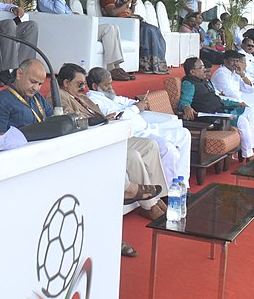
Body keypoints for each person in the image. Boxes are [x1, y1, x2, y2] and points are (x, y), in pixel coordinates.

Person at [51, 63, 168, 221]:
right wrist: (99, 120)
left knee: (149, 144)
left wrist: (108, 119)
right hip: (92, 141)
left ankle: (158, 197)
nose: (83, 87)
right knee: (132, 155)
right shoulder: (58, 96)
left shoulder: (83, 98)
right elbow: (70, 120)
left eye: (84, 83)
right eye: (80, 84)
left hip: (107, 134)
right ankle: (149, 206)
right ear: (66, 83)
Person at [85, 67, 192, 187]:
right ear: (95, 86)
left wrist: (140, 104)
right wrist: (136, 108)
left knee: (184, 134)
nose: (110, 87)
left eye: (110, 84)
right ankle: (170, 188)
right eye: (106, 85)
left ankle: (183, 184)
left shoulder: (108, 95)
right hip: (135, 133)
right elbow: (116, 118)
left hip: (146, 127)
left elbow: (125, 101)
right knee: (168, 148)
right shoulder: (93, 100)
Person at [36, 0, 134, 81]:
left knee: (113, 27)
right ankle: (111, 68)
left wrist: (73, 14)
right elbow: (59, 11)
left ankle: (117, 67)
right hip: (70, 31)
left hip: (76, 26)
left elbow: (64, 12)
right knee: (108, 28)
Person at [178, 57, 254, 160]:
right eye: (201, 67)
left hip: (221, 109)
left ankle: (250, 147)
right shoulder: (189, 83)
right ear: (192, 71)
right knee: (242, 121)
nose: (205, 69)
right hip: (211, 116)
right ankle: (249, 155)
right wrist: (186, 107)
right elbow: (184, 101)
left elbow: (218, 99)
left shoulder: (205, 81)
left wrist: (237, 103)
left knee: (251, 111)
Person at [99, 0, 168, 74]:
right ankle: (146, 64)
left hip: (129, 22)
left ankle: (156, 64)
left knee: (155, 29)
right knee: (149, 30)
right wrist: (128, 2)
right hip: (121, 24)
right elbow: (113, 12)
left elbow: (129, 11)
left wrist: (133, 3)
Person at [0, 58, 54, 133]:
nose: (36, 88)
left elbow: (53, 119)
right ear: (19, 74)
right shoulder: (0, 102)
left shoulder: (38, 97)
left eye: (40, 84)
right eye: (33, 82)